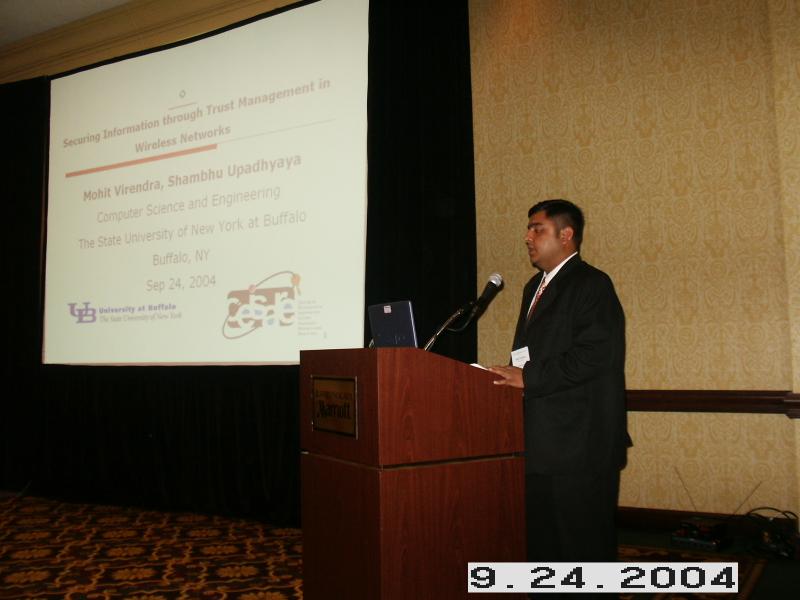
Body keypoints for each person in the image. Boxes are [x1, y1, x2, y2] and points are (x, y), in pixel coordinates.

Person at [489, 199, 630, 564]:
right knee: (544, 545)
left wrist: (527, 377)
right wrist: (507, 377)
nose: (527, 237)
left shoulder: (592, 284)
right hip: (540, 441)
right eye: (528, 230)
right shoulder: (533, 287)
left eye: (537, 229)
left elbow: (596, 355)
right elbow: (531, 354)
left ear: (566, 235)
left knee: (581, 548)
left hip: (580, 445)